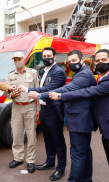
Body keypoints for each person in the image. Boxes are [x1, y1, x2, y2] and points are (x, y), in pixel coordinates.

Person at [27, 50, 97, 182]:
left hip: (78, 118)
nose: (71, 64)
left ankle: (65, 172)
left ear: (82, 60)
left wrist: (40, 95)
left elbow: (64, 90)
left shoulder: (82, 75)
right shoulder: (78, 73)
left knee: (76, 152)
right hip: (71, 115)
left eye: (74, 61)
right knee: (83, 151)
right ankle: (85, 178)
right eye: (69, 61)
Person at [49, 48, 109, 165]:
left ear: (82, 60)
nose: (100, 62)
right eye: (97, 61)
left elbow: (88, 91)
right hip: (104, 127)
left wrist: (61, 96)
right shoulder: (102, 77)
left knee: (79, 153)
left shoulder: (91, 76)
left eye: (104, 59)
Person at [19, 47, 67, 181]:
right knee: (47, 139)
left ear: (55, 57)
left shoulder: (58, 72)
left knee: (58, 141)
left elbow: (48, 89)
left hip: (54, 110)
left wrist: (27, 89)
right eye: (44, 56)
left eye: (49, 56)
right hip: (45, 109)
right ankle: (50, 162)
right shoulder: (43, 70)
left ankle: (60, 168)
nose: (46, 58)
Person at [5, 52, 41, 173]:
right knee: (17, 134)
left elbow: (38, 92)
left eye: (19, 59)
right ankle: (18, 158)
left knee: (31, 135)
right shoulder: (10, 75)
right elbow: (6, 93)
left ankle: (30, 160)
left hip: (30, 107)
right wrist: (12, 95)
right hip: (16, 107)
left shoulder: (33, 73)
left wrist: (38, 109)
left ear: (24, 59)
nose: (17, 61)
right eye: (15, 59)